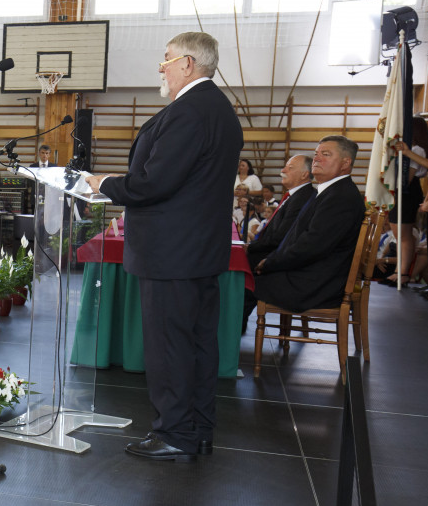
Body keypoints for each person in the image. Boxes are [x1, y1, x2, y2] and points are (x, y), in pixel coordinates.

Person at [85, 31, 243, 463]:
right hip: (196, 250)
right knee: (196, 344)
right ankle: (197, 428)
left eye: (167, 58)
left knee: (171, 346)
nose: (162, 66)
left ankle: (174, 432)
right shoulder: (217, 109)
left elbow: (156, 182)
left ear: (189, 64)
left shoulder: (190, 112)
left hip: (172, 252)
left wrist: (104, 184)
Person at [251, 136, 369, 313]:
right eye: (316, 154)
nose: (317, 158)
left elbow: (311, 246)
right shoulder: (329, 191)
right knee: (242, 276)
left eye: (326, 154)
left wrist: (270, 263)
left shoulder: (340, 197)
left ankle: (223, 338)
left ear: (346, 163)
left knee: (241, 283)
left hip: (313, 285)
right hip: (308, 275)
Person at [382, 121, 428, 286]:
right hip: (404, 191)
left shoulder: (416, 150)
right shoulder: (412, 149)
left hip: (407, 191)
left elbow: (408, 176)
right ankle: (400, 271)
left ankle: (402, 272)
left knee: (403, 234)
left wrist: (394, 193)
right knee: (400, 234)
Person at [246, 155, 314, 270]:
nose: (283, 170)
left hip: (274, 258)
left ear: (304, 174)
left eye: (290, 168)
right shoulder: (294, 196)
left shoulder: (302, 198)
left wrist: (249, 247)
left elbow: (280, 237)